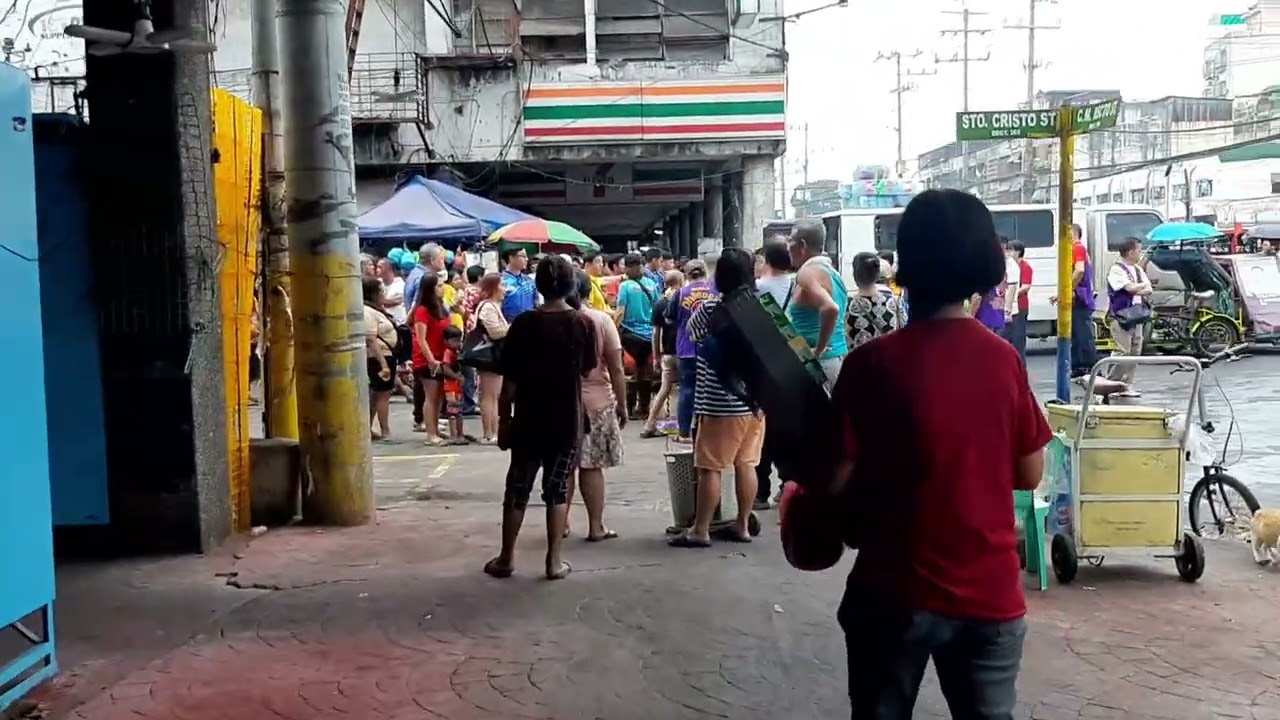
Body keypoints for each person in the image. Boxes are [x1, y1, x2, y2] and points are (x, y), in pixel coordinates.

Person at [791, 188, 1052, 718]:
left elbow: (834, 480)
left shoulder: (872, 365)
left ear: (904, 266)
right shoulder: (1003, 360)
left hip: (892, 590)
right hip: (989, 594)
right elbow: (1029, 472)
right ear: (985, 267)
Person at [484, 256, 597, 581]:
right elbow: (586, 368)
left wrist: (504, 422)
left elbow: (509, 386)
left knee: (517, 489)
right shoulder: (582, 323)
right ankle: (553, 561)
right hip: (566, 419)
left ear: (538, 286)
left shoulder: (522, 324)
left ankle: (506, 558)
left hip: (528, 419)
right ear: (571, 286)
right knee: (557, 490)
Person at [669, 248, 763, 548]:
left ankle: (700, 529)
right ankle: (742, 525)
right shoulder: (765, 307)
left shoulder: (709, 310)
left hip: (719, 403)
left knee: (710, 467)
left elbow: (695, 340)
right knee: (746, 463)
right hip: (756, 403)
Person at [564, 270, 628, 541]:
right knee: (591, 466)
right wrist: (622, 404)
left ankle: (561, 522)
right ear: (588, 292)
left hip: (560, 403)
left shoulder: (549, 320)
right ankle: (595, 526)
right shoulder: (601, 320)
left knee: (563, 466)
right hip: (597, 403)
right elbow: (616, 368)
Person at [753, 240, 795, 510]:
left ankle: (760, 492)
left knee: (762, 429)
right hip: (791, 359)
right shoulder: (797, 283)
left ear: (766, 260)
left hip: (763, 361)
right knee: (787, 426)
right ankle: (787, 483)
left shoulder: (758, 288)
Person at [788, 222, 849, 387]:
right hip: (836, 359)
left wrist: (818, 350)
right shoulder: (832, 272)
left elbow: (830, 308)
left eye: (790, 241)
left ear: (802, 245)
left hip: (819, 364)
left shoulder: (807, 272)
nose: (788, 248)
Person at [669, 259, 714, 442]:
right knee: (711, 391)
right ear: (705, 272)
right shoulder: (716, 291)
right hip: (711, 348)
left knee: (687, 390)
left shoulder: (679, 294)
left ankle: (685, 432)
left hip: (686, 349)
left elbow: (670, 319)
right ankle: (709, 432)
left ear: (686, 275)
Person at [615, 253, 660, 420]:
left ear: (626, 268)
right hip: (649, 335)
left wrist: (614, 329)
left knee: (630, 373)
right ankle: (645, 407)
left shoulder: (625, 287)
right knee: (646, 373)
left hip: (630, 336)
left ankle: (629, 408)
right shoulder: (652, 284)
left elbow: (620, 312)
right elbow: (657, 308)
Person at [1106, 237, 1153, 393]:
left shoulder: (1138, 270)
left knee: (1135, 350)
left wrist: (1136, 287)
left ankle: (1127, 384)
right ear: (1131, 252)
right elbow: (1129, 288)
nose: (1141, 253)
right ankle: (1110, 384)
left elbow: (1149, 289)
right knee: (1122, 351)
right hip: (1121, 316)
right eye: (1139, 250)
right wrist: (1139, 287)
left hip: (1137, 315)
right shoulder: (1117, 269)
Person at [641, 270, 684, 439]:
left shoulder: (660, 303)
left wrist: (656, 357)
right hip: (683, 353)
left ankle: (649, 424)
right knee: (684, 390)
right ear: (680, 282)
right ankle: (680, 425)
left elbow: (655, 334)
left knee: (664, 389)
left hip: (667, 354)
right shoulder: (683, 301)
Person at [411, 273, 451, 445]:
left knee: (439, 396)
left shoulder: (441, 308)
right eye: (439, 286)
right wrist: (430, 359)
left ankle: (435, 429)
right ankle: (430, 433)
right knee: (431, 396)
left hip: (442, 357)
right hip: (427, 359)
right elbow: (421, 338)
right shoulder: (422, 310)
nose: (443, 288)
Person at [471, 273, 509, 444]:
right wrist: (513, 329)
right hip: (488, 356)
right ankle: (489, 432)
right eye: (501, 285)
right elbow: (494, 332)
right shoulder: (487, 307)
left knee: (494, 395)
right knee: (489, 395)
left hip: (496, 357)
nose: (505, 290)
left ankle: (493, 431)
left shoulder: (494, 306)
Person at [362, 277, 397, 440]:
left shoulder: (377, 310)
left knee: (378, 395)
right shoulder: (368, 312)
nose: (384, 294)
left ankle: (368, 427)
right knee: (382, 394)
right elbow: (371, 339)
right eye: (381, 291)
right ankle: (385, 430)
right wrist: (383, 364)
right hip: (379, 357)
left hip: (387, 355)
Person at [845, 251, 904, 349]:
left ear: (855, 275)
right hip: (888, 361)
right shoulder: (895, 302)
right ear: (877, 275)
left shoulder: (847, 305)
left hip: (858, 362)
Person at [1069, 223, 1099, 377]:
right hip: (1078, 298)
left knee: (1083, 335)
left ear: (1072, 233)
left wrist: (1068, 289)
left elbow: (1079, 270)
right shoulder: (1076, 249)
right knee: (1076, 334)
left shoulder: (1077, 248)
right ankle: (1079, 366)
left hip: (1080, 299)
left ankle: (1088, 366)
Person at [438, 326, 467, 444]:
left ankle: (460, 434)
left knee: (459, 411)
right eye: (454, 341)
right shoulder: (448, 353)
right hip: (450, 385)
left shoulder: (457, 352)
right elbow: (445, 368)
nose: (457, 343)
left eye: (458, 340)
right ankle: (454, 435)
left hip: (457, 384)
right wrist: (456, 376)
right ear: (446, 341)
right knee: (452, 411)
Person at [1008, 240, 1032, 363]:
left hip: (1020, 307)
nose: (1009, 253)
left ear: (1018, 252)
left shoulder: (1025, 267)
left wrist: (1010, 295)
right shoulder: (1010, 266)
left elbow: (1026, 286)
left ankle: (1021, 368)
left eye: (1011, 250)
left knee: (1018, 340)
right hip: (1010, 307)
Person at [499, 247, 536, 320]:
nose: (527, 259)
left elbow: (536, 302)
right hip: (509, 326)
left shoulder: (529, 281)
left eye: (527, 256)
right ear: (511, 258)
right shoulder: (500, 281)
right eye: (523, 256)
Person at [378, 257, 407, 325]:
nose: (377, 269)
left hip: (398, 323)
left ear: (389, 269)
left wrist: (381, 301)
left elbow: (395, 301)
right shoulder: (377, 283)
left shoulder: (400, 284)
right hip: (383, 323)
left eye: (380, 267)